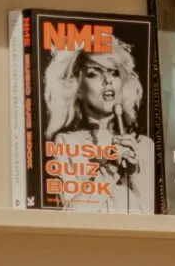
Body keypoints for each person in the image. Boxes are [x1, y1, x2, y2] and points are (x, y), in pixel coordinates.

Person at [45, 41, 154, 212]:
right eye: (94, 74)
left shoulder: (144, 145)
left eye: (114, 73)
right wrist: (109, 168)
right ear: (77, 88)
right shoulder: (66, 143)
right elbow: (72, 213)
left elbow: (151, 214)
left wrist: (134, 173)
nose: (108, 81)